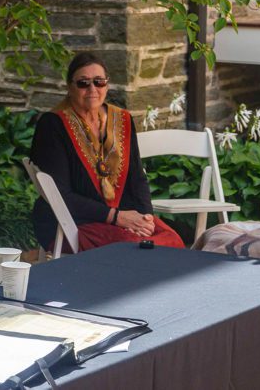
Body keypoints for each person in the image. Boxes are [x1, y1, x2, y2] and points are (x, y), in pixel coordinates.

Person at [30, 52, 184, 252]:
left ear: (107, 85)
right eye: (83, 83)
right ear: (70, 87)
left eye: (99, 82)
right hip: (70, 223)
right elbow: (61, 195)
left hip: (122, 219)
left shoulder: (123, 119)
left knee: (172, 240)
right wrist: (117, 217)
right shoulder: (53, 125)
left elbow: (137, 178)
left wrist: (145, 220)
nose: (92, 89)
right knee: (134, 249)